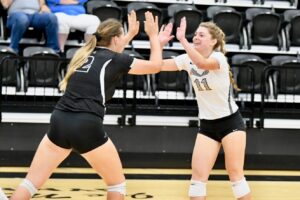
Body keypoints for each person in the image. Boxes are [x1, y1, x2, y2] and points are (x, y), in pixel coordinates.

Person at [5, 11, 162, 200]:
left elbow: (112, 52)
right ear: (115, 39)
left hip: (60, 119)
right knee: (116, 185)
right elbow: (155, 66)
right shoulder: (116, 60)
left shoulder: (85, 54)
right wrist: (153, 36)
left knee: (31, 183)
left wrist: (129, 35)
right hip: (85, 123)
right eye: (123, 36)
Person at [158, 18, 251, 200]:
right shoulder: (186, 60)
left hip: (230, 123)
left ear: (213, 41)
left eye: (202, 35)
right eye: (195, 35)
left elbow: (201, 63)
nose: (196, 37)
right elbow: (156, 66)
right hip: (207, 126)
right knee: (197, 180)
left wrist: (182, 40)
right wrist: (158, 45)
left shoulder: (218, 58)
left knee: (235, 176)